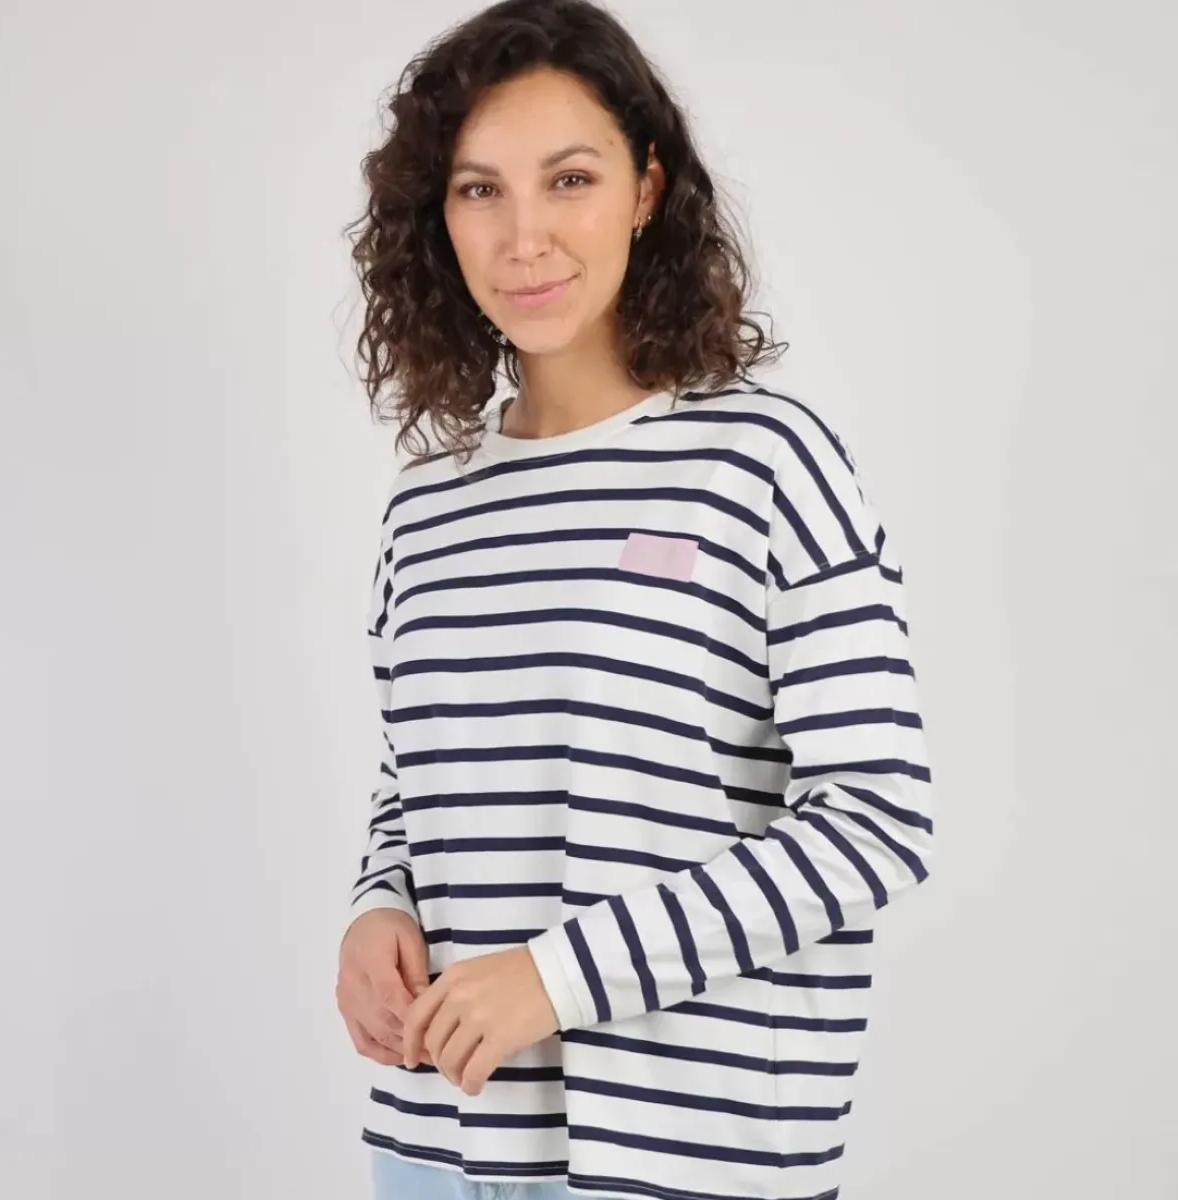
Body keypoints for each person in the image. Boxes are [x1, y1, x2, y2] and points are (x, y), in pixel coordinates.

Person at [335, 2, 934, 1198]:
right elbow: (418, 790)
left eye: (570, 179)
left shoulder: (762, 463)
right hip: (440, 1141)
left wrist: (555, 979)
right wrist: (376, 907)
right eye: (479, 190)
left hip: (688, 1155)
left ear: (647, 188)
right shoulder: (427, 510)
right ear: (436, 217)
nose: (525, 237)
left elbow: (877, 816)